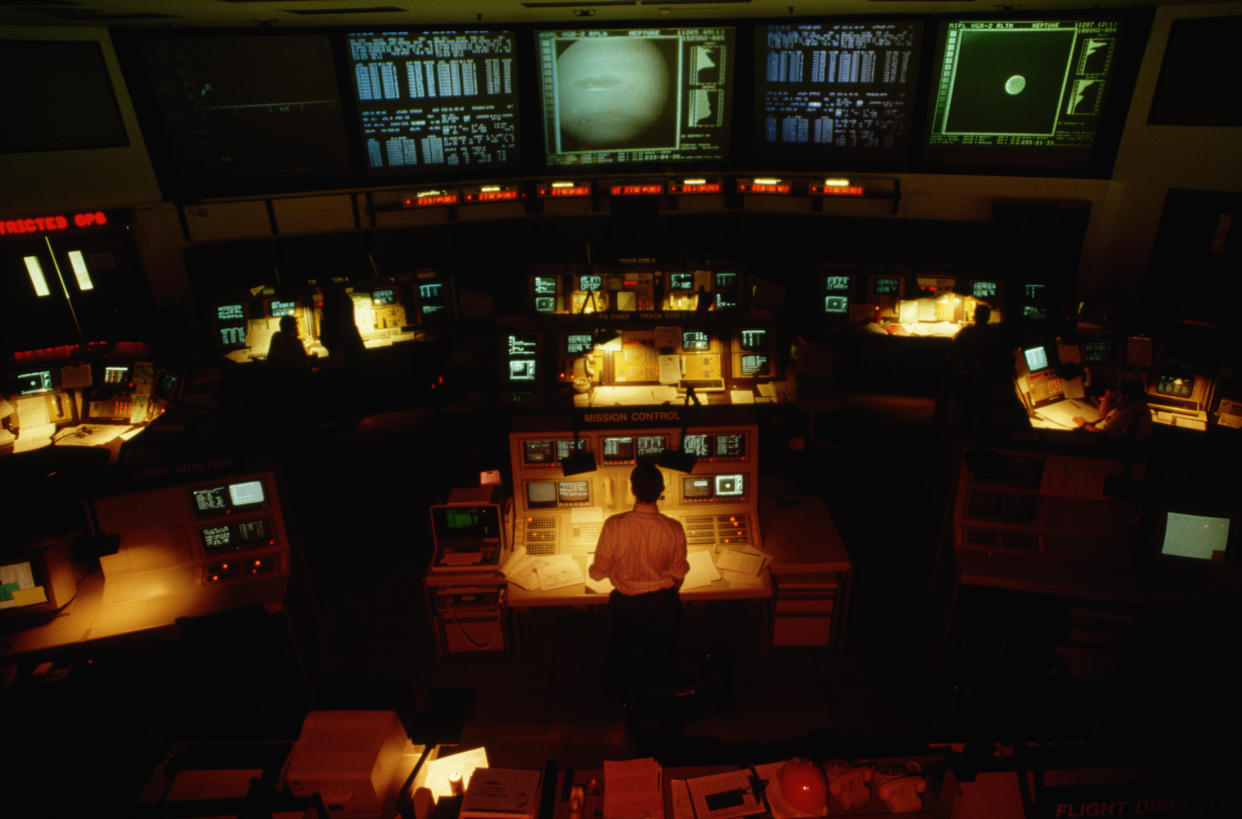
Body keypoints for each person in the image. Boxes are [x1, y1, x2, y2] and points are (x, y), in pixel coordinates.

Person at [589, 462, 690, 696]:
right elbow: (678, 574)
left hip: (626, 605)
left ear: (632, 490)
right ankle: (656, 696)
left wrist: (604, 570)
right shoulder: (674, 528)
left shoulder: (613, 525)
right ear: (661, 490)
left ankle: (619, 695)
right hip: (662, 605)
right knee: (658, 657)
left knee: (619, 653)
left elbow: (598, 572)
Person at [1075, 378, 1152, 439]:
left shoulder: (1129, 412)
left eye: (1118, 395)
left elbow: (1103, 436)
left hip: (1107, 447)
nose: (1116, 399)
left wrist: (1084, 424)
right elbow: (1103, 415)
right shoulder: (1136, 405)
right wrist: (1107, 397)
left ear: (1127, 396)